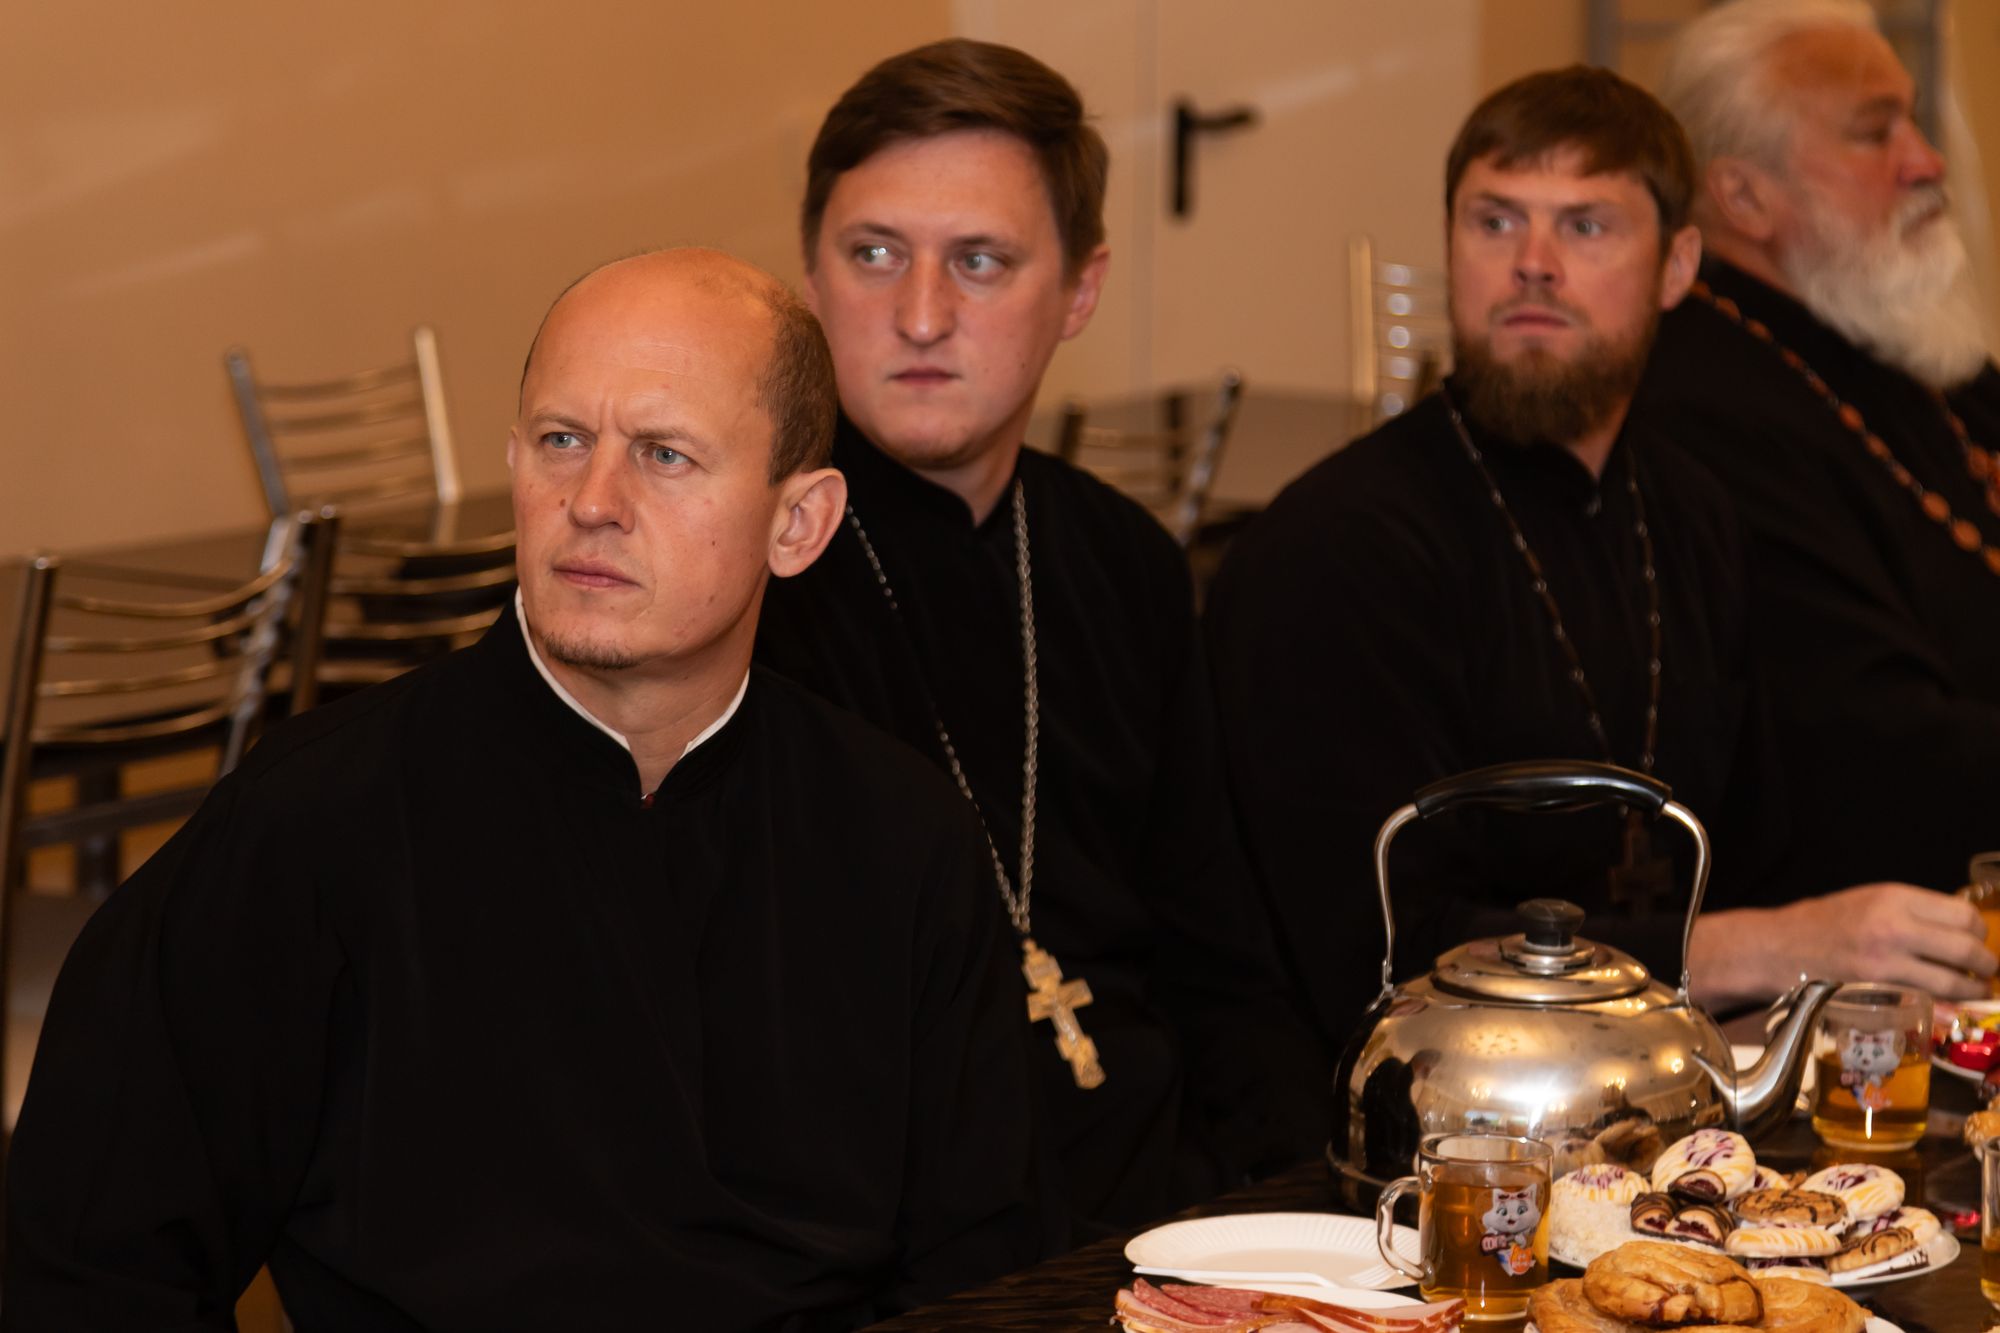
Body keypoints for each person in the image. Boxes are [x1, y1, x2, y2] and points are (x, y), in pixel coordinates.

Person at [4, 249, 1043, 1331]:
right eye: (561, 441)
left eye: (664, 454)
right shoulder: (313, 824)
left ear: (799, 523)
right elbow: (93, 1266)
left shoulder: (900, 835)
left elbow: (980, 1266)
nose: (591, 501)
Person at [1203, 65, 1994, 1062]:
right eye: (1494, 222)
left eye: (1584, 226)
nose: (1532, 265)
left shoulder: (1691, 513)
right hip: (1405, 1120)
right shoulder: (1337, 546)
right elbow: (1386, 959)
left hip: (1652, 1089)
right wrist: (1764, 948)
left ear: (1676, 268)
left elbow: (1756, 851)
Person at [754, 38, 1324, 1236]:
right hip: (881, 1232)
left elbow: (1222, 959)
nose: (920, 315)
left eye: (980, 261)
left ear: (1078, 291)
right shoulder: (744, 574)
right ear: (809, 276)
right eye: (873, 254)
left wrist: (1285, 1213)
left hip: (1155, 1199)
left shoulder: (1124, 562)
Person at [1640, 0, 2000, 904]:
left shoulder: (1908, 339)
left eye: (1912, 121)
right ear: (1744, 197)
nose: (1927, 161)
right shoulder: (1702, 407)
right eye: (1876, 133)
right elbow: (1876, 751)